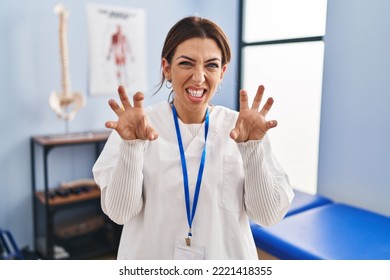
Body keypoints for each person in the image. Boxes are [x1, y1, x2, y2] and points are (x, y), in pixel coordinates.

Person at [93, 16, 294, 260]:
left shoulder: (242, 128)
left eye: (211, 65)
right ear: (167, 68)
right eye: (187, 64)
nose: (199, 77)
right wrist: (132, 147)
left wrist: (252, 149)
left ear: (222, 72)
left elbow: (268, 216)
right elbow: (120, 213)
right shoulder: (137, 126)